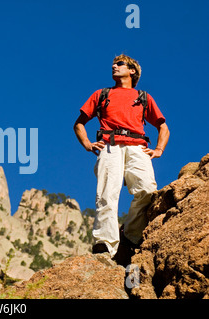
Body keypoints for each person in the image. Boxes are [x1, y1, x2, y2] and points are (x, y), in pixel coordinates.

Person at [73, 54, 170, 262]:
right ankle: (105, 244)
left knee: (147, 190)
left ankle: (131, 237)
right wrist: (88, 144)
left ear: (132, 71)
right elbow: (79, 123)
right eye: (113, 64)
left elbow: (163, 126)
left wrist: (159, 149)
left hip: (138, 148)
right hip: (110, 146)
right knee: (107, 194)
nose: (114, 66)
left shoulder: (143, 96)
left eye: (119, 64)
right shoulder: (102, 94)